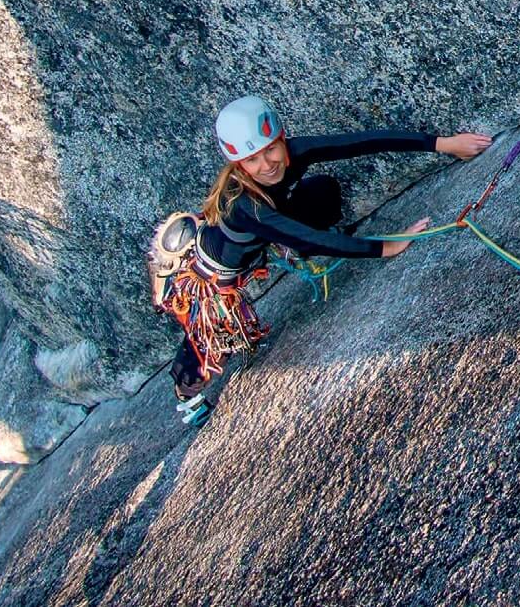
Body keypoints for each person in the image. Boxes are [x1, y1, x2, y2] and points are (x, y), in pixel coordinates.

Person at [158, 94, 492, 409]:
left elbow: (359, 142)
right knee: (210, 340)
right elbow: (311, 241)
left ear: (282, 138)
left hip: (262, 233)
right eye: (251, 160)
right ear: (237, 164)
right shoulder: (244, 205)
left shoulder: (292, 153)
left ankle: (284, 236)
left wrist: (443, 144)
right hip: (213, 278)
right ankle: (186, 391)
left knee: (322, 191)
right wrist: (387, 248)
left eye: (271, 149)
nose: (267, 165)